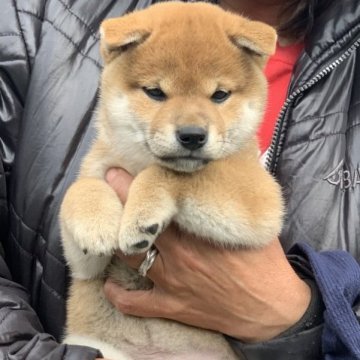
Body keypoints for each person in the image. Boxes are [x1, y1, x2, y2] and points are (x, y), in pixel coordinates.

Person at [0, 0, 359, 359]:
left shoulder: (239, 159)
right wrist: (88, 202)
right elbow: (88, 262)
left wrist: (297, 319)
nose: (192, 125)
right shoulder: (38, 14)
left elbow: (258, 221)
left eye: (218, 95)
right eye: (157, 92)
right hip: (103, 343)